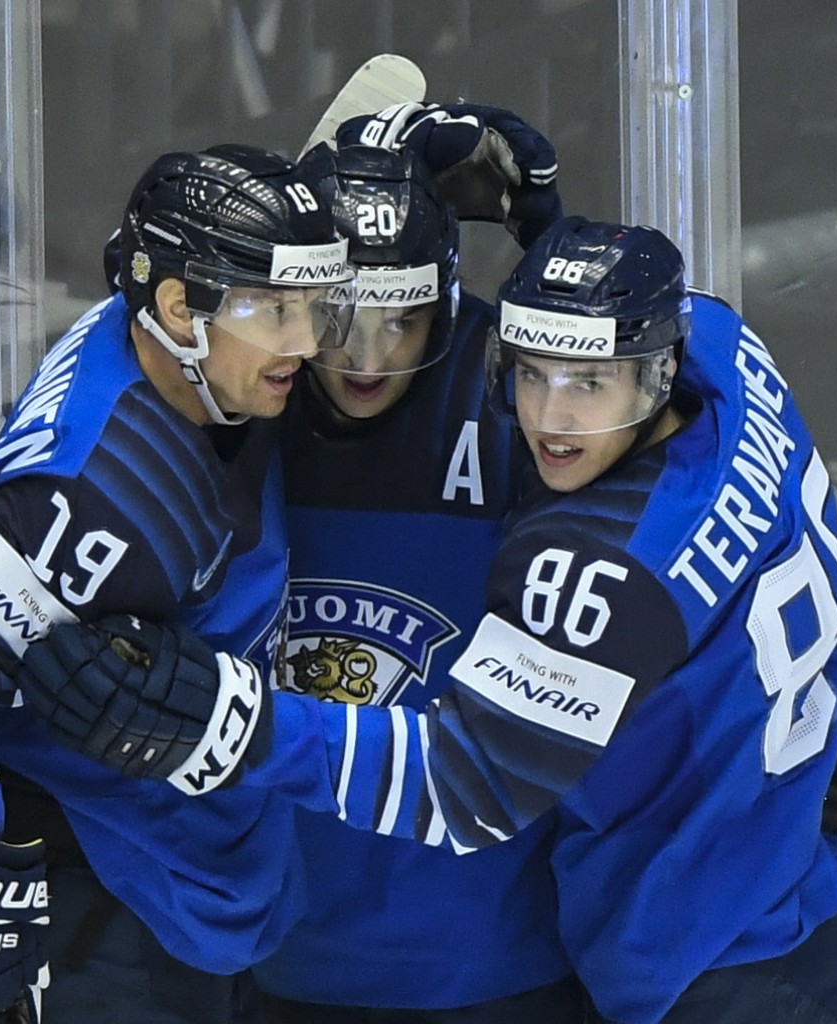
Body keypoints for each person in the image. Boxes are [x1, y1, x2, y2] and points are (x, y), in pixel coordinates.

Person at [13, 214, 837, 1024]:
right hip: (813, 850)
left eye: (590, 383)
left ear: (656, 372)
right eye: (533, 374)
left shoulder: (596, 570)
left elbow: (466, 786)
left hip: (723, 945)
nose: (552, 418)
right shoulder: (729, 350)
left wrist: (225, 717)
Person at [0, 143, 355, 1024]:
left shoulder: (160, 334)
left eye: (313, 306)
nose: (305, 345)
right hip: (121, 904)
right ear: (176, 309)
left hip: (201, 873)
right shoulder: (100, 498)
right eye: (275, 311)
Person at [252, 137, 579, 1021]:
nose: (366, 360)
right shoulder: (236, 396)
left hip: (498, 957)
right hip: (280, 952)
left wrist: (565, 249)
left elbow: (687, 426)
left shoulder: (516, 385)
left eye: (402, 321)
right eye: (342, 320)